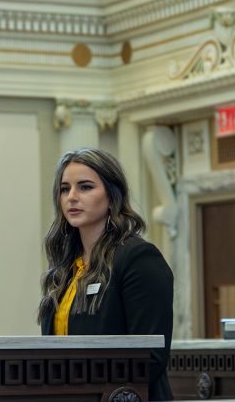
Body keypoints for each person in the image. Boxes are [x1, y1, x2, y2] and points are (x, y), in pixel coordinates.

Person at [38, 148, 174, 401]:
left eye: (85, 187)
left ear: (112, 196)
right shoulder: (64, 268)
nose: (72, 197)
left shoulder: (138, 258)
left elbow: (151, 356)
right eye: (65, 189)